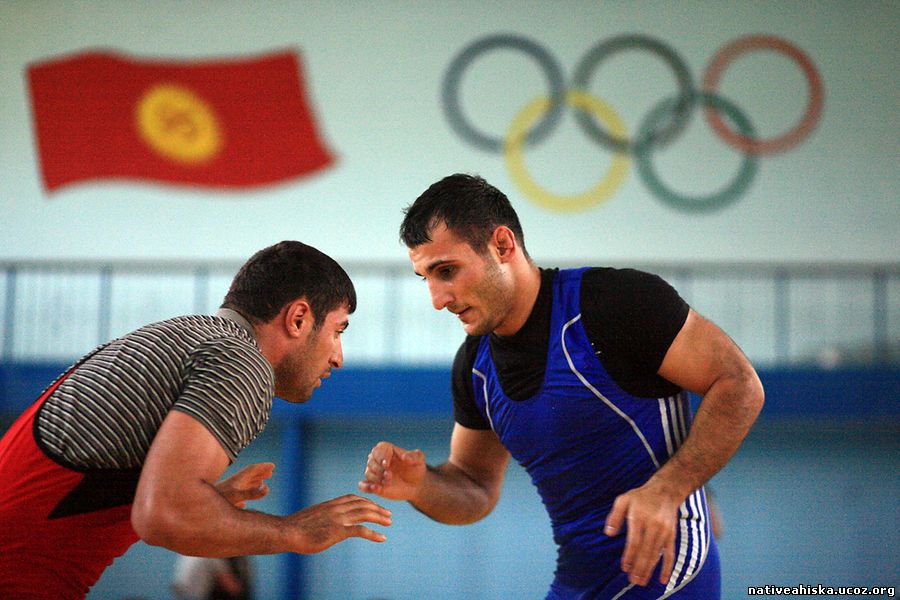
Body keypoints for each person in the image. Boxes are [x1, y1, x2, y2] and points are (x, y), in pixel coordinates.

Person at [359, 174, 764, 599]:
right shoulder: (474, 367)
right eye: (426, 278)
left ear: (502, 245)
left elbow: (739, 384)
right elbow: (474, 485)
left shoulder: (613, 304)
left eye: (447, 271)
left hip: (666, 573)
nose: (437, 299)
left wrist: (669, 489)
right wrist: (420, 485)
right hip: (580, 581)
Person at [0, 241, 392, 599]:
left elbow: (113, 502)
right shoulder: (241, 361)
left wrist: (210, 505)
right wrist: (295, 531)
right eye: (338, 331)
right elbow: (165, 515)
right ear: (299, 319)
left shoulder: (181, 338)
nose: (339, 357)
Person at [171, 554, 254, 600]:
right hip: (194, 595)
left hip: (180, 592)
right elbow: (232, 586)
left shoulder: (190, 551)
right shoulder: (212, 555)